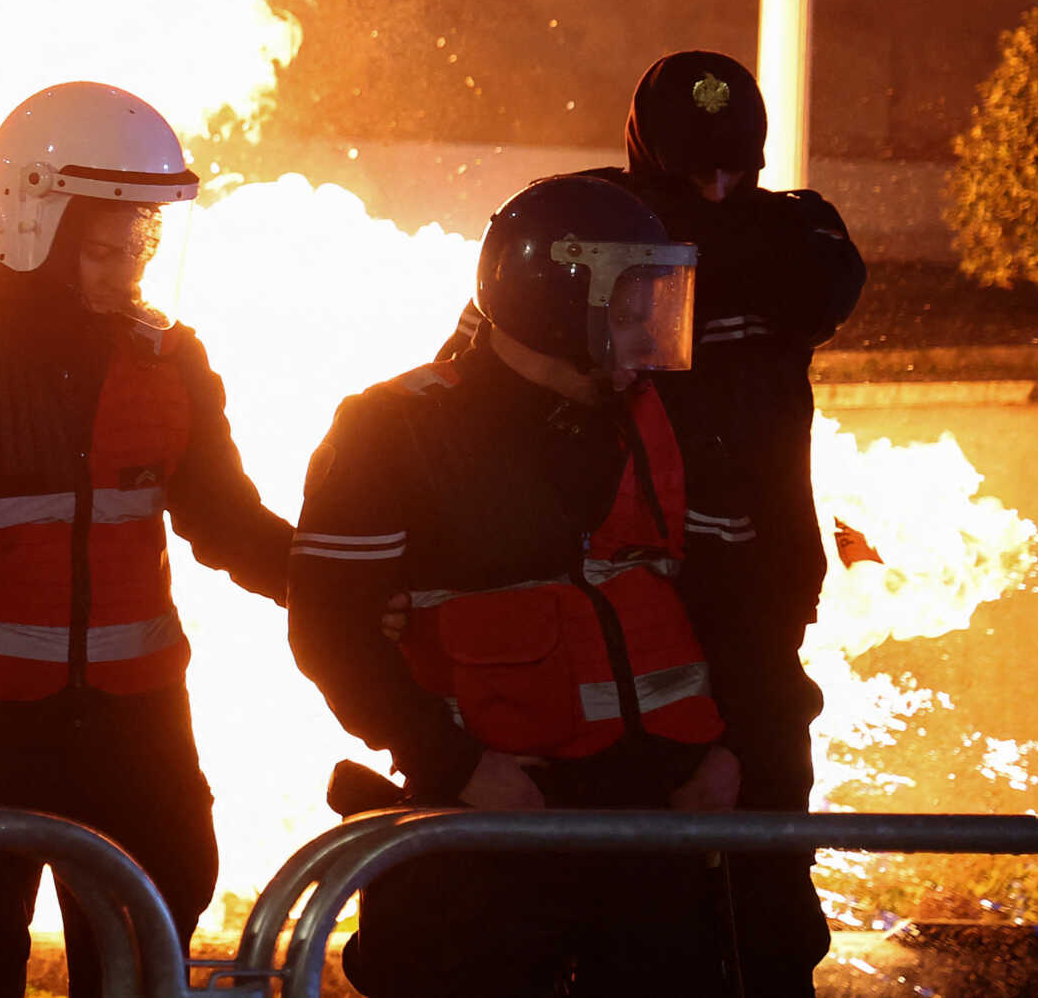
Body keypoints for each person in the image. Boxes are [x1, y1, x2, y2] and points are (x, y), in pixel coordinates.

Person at [437, 51, 864, 992]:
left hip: (753, 627)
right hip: (618, 629)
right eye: (692, 172)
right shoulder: (581, 244)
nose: (718, 188)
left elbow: (831, 274)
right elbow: (484, 381)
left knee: (769, 912)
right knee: (625, 911)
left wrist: (665, 234)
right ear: (645, 160)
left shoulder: (786, 239)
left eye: (735, 169)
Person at [292, 173, 778, 998]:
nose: (649, 337)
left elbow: (733, 601)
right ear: (555, 300)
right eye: (628, 312)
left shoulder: (663, 418)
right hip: (484, 823)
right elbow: (329, 632)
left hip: (657, 823)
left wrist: (731, 753)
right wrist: (453, 766)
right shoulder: (394, 428)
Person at [0, 82, 292, 998]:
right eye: (113, 237)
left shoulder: (167, 355)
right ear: (38, 213)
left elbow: (225, 518)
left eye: (144, 235)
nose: (133, 259)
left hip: (134, 737)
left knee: (142, 973)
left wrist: (330, 579)